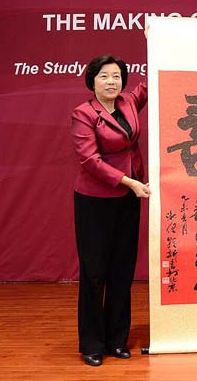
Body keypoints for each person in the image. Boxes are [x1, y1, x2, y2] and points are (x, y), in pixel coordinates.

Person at [71, 54, 151, 367]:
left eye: (116, 76)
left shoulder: (129, 102)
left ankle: (117, 340)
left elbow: (152, 81)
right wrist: (129, 182)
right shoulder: (83, 113)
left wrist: (156, 39)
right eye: (104, 76)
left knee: (122, 269)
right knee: (94, 273)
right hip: (95, 200)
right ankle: (92, 343)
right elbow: (90, 160)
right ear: (92, 81)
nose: (111, 82)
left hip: (128, 197)